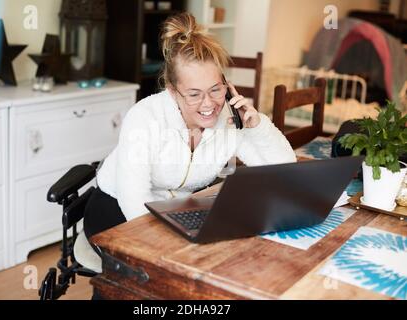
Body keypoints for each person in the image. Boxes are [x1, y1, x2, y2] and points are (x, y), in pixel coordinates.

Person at [83, 12, 296, 240]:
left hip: (176, 212)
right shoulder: (145, 117)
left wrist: (256, 126)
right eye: (194, 94)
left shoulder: (230, 118)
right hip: (117, 211)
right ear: (173, 91)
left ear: (227, 84)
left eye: (216, 89)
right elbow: (133, 198)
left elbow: (285, 170)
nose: (208, 104)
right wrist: (162, 247)